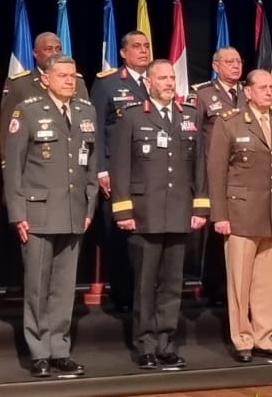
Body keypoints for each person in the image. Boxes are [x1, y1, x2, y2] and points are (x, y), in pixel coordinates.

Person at [3, 55, 98, 381]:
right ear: (45, 79)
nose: (69, 81)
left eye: (72, 76)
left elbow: (90, 163)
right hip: (38, 212)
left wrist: (89, 206)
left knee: (64, 287)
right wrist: (18, 214)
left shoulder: (86, 110)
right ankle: (39, 351)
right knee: (37, 287)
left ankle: (60, 350)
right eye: (62, 76)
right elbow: (13, 168)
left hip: (73, 212)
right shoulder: (28, 110)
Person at [109, 58, 208, 370]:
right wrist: (123, 210)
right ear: (148, 83)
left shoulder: (189, 115)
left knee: (171, 285)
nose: (168, 83)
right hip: (144, 213)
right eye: (162, 78)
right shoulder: (133, 116)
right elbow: (120, 167)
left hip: (179, 211)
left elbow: (200, 167)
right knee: (145, 285)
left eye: (171, 78)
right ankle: (146, 345)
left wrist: (200, 206)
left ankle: (166, 343)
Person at [207, 70, 272, 364]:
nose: (268, 92)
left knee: (268, 283)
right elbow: (217, 172)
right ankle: (242, 339)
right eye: (262, 87)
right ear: (247, 91)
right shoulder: (229, 122)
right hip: (241, 213)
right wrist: (219, 214)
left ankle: (264, 337)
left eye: (271, 87)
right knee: (240, 282)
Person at [89, 29, 154, 312]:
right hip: (117, 172)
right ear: (124, 53)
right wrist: (101, 170)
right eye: (136, 46)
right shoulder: (108, 83)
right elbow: (95, 129)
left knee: (146, 236)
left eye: (146, 46)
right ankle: (122, 296)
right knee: (119, 237)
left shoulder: (157, 80)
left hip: (149, 174)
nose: (143, 51)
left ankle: (143, 296)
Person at [192, 46, 246, 304]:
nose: (236, 66)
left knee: (239, 231)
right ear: (216, 66)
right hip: (213, 172)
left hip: (244, 174)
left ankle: (236, 287)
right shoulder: (203, 94)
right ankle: (213, 287)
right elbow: (195, 135)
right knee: (216, 231)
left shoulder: (249, 92)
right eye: (229, 62)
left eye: (238, 61)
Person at [1, 30, 68, 116]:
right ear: (35, 53)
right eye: (49, 49)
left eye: (58, 49)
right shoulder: (18, 84)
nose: (55, 54)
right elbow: (9, 124)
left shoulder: (77, 82)